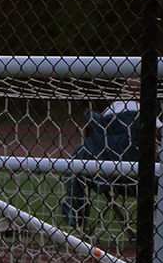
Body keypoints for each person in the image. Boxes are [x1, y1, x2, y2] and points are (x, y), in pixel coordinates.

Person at [60, 78, 148, 232]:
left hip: (104, 176)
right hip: (138, 178)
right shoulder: (144, 111)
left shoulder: (109, 112)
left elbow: (91, 139)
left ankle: (76, 216)